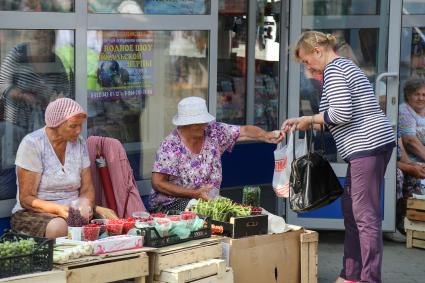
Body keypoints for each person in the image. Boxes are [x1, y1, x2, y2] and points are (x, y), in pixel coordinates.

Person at [280, 31, 395, 283]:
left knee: (365, 217)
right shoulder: (344, 67)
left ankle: (369, 278)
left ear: (318, 51)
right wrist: (303, 122)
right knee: (352, 212)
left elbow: (341, 114)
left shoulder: (334, 70)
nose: (307, 67)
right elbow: (333, 116)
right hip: (369, 145)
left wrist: (310, 118)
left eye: (306, 61)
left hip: (367, 145)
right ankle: (350, 274)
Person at [149, 96, 283, 212]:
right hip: (171, 204)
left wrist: (266, 135)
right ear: (186, 125)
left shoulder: (213, 131)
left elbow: (245, 131)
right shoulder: (170, 146)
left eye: (204, 122)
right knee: (207, 212)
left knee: (235, 212)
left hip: (207, 201)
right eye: (198, 123)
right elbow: (158, 183)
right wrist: (194, 194)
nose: (204, 126)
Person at [10, 98, 117, 238]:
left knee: (110, 222)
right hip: (33, 213)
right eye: (73, 126)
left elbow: (87, 189)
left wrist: (87, 205)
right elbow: (27, 199)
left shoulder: (79, 143)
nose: (78, 131)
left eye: (80, 125)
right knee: (59, 227)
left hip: (71, 210)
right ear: (55, 125)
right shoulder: (33, 144)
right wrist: (59, 209)